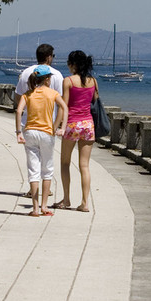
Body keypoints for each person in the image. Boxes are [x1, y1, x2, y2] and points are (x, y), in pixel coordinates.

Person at [14, 65, 68, 216]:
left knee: (33, 170)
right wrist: (61, 127)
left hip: (30, 132)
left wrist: (18, 132)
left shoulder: (28, 94)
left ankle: (35, 208)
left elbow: (18, 111)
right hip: (46, 133)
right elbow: (64, 108)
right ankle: (44, 206)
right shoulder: (53, 93)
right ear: (47, 79)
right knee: (47, 170)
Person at [54, 50, 99, 212]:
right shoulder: (93, 81)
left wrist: (56, 126)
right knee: (84, 165)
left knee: (65, 162)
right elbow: (95, 100)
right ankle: (85, 203)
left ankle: (66, 199)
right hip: (88, 125)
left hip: (72, 124)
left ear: (72, 64)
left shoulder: (68, 81)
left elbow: (63, 106)